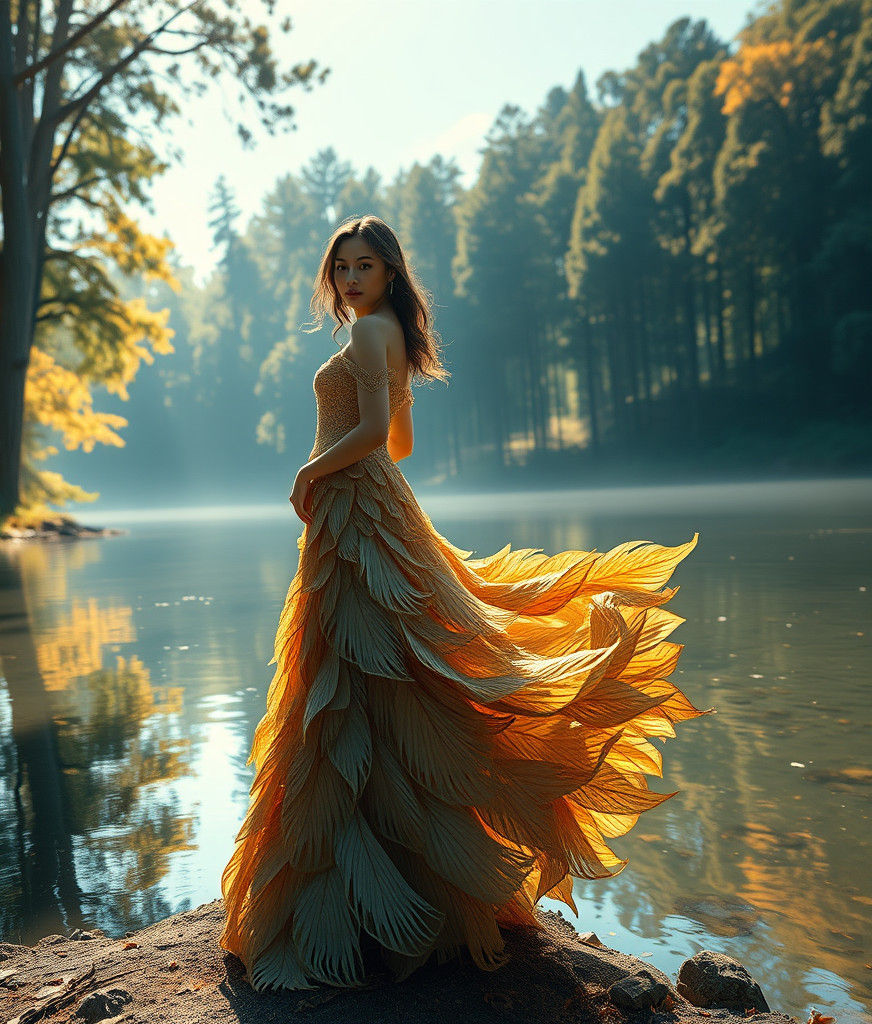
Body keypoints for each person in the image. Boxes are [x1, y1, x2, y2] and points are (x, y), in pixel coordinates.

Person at [219, 214, 710, 992]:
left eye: (366, 266)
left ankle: (382, 896)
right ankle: (394, 888)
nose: (351, 278)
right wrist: (338, 469)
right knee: (377, 677)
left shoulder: (371, 336)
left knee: (368, 677)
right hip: (369, 509)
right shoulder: (383, 337)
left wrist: (309, 472)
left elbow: (377, 432)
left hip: (357, 510)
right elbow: (401, 445)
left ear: (389, 274)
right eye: (342, 266)